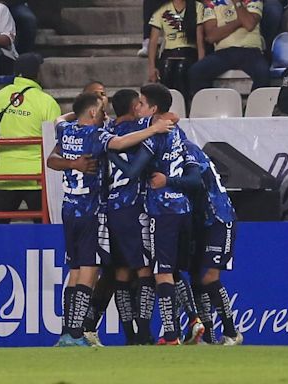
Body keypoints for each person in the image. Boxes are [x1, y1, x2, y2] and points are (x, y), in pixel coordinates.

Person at [47, 93, 174, 347]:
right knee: (89, 270)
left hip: (68, 208)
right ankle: (75, 335)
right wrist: (156, 129)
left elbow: (60, 119)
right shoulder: (96, 135)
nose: (106, 115)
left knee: (73, 271)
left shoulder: (64, 129)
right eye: (101, 111)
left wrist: (79, 111)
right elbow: (121, 143)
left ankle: (67, 332)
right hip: (90, 210)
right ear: (92, 113)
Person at [109, 83, 202, 345]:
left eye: (141, 102)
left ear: (153, 108)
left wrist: (110, 153)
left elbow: (132, 171)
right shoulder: (175, 130)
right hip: (183, 206)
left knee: (160, 272)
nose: (137, 106)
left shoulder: (152, 134)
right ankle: (193, 320)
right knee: (171, 270)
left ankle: (170, 335)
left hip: (162, 209)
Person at [157, 139, 242, 345]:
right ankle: (208, 337)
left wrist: (166, 181)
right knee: (195, 277)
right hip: (198, 222)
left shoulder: (187, 150)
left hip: (219, 218)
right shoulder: (179, 150)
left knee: (209, 278)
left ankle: (232, 333)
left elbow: (196, 182)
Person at [0, 53, 59, 224]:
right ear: (38, 73)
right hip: (36, 178)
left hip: (5, 175)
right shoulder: (46, 102)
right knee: (45, 229)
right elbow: (53, 141)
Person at [188, 0, 270, 96]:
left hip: (250, 50)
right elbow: (211, 36)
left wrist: (237, 2)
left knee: (263, 73)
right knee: (196, 71)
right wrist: (240, 21)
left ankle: (252, 108)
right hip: (223, 53)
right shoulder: (212, 3)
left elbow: (249, 24)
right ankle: (214, 106)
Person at [147, 0, 205, 102]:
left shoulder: (197, 7)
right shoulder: (162, 9)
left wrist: (201, 60)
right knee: (166, 68)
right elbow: (153, 41)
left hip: (189, 52)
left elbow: (199, 36)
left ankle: (184, 107)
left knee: (181, 69)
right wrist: (152, 67)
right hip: (169, 52)